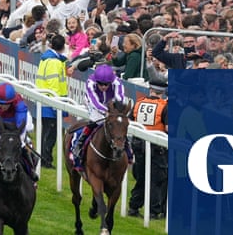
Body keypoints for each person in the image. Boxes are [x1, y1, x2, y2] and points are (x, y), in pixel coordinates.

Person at [69, 63, 125, 169]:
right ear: (96, 81)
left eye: (106, 84)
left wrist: (114, 111)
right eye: (100, 84)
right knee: (97, 120)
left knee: (118, 124)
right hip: (93, 103)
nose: (103, 87)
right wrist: (105, 112)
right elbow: (94, 101)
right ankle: (79, 144)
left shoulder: (117, 82)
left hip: (110, 104)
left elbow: (119, 98)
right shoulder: (90, 82)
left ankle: (127, 148)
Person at [128, 78, 168, 220]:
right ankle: (154, 211)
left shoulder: (138, 103)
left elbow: (131, 122)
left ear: (150, 89)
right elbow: (168, 128)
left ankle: (133, 206)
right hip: (158, 147)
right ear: (163, 92)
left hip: (139, 145)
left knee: (141, 177)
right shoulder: (165, 106)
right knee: (157, 179)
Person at [35, 33, 71, 166]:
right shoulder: (54, 62)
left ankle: (44, 158)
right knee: (50, 134)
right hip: (51, 103)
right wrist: (56, 105)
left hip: (45, 101)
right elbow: (53, 85)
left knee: (47, 133)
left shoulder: (48, 59)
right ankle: (46, 160)